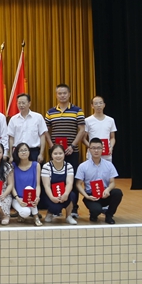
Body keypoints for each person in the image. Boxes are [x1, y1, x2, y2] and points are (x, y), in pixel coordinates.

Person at [45, 83, 85, 218]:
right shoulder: (50, 112)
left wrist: (72, 146)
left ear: (69, 94)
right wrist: (52, 146)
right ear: (56, 95)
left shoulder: (77, 110)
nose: (62, 95)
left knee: (72, 180)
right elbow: (46, 131)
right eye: (59, 93)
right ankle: (55, 209)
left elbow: (82, 130)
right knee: (54, 179)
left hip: (72, 151)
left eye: (64, 93)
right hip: (56, 153)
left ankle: (73, 209)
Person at [75, 138, 123, 224]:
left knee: (117, 192)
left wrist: (107, 190)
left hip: (105, 194)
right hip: (91, 196)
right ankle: (93, 214)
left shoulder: (109, 165)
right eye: (93, 148)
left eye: (98, 148)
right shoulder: (83, 166)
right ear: (89, 149)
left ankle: (109, 215)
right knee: (96, 210)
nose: (96, 150)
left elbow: (112, 182)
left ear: (102, 149)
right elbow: (78, 184)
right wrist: (86, 196)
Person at [7, 93, 51, 164]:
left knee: (35, 170)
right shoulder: (13, 119)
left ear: (29, 103)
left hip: (33, 151)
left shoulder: (38, 117)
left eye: (23, 103)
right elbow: (11, 138)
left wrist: (41, 154)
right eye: (19, 103)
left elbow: (42, 136)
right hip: (18, 152)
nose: (21, 105)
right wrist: (11, 155)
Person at [40, 144, 78, 224]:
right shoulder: (46, 166)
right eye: (55, 153)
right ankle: (50, 212)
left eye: (60, 153)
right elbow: (46, 185)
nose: (58, 156)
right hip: (50, 194)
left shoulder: (69, 166)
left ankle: (68, 216)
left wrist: (66, 194)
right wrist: (52, 197)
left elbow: (69, 183)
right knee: (55, 208)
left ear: (64, 154)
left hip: (63, 194)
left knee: (72, 195)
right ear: (51, 155)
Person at [10, 143, 42, 226]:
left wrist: (37, 197)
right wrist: (18, 199)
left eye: (25, 150)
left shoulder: (36, 165)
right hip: (18, 198)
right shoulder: (13, 166)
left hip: (32, 197)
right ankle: (22, 214)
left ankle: (35, 216)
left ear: (29, 152)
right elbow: (12, 186)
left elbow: (38, 185)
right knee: (25, 212)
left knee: (29, 189)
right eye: (21, 151)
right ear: (17, 153)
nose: (23, 152)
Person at [84, 96, 117, 162]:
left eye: (100, 103)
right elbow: (83, 138)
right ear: (92, 106)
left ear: (104, 105)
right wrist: (91, 147)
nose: (98, 105)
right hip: (92, 154)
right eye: (96, 103)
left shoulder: (110, 120)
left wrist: (111, 147)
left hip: (106, 154)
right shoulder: (87, 120)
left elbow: (112, 137)